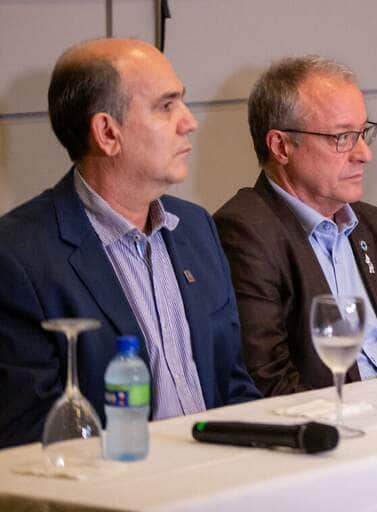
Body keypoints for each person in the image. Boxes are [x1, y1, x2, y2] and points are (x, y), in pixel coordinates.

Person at [0, 39, 259, 449]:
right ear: (107, 132)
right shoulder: (18, 256)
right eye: (165, 106)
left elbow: (234, 385)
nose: (189, 121)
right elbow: (31, 435)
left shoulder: (195, 228)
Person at [214, 56, 377, 396]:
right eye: (342, 137)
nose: (364, 153)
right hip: (332, 426)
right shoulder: (245, 233)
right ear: (281, 146)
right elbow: (268, 382)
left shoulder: (376, 226)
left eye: (363, 133)